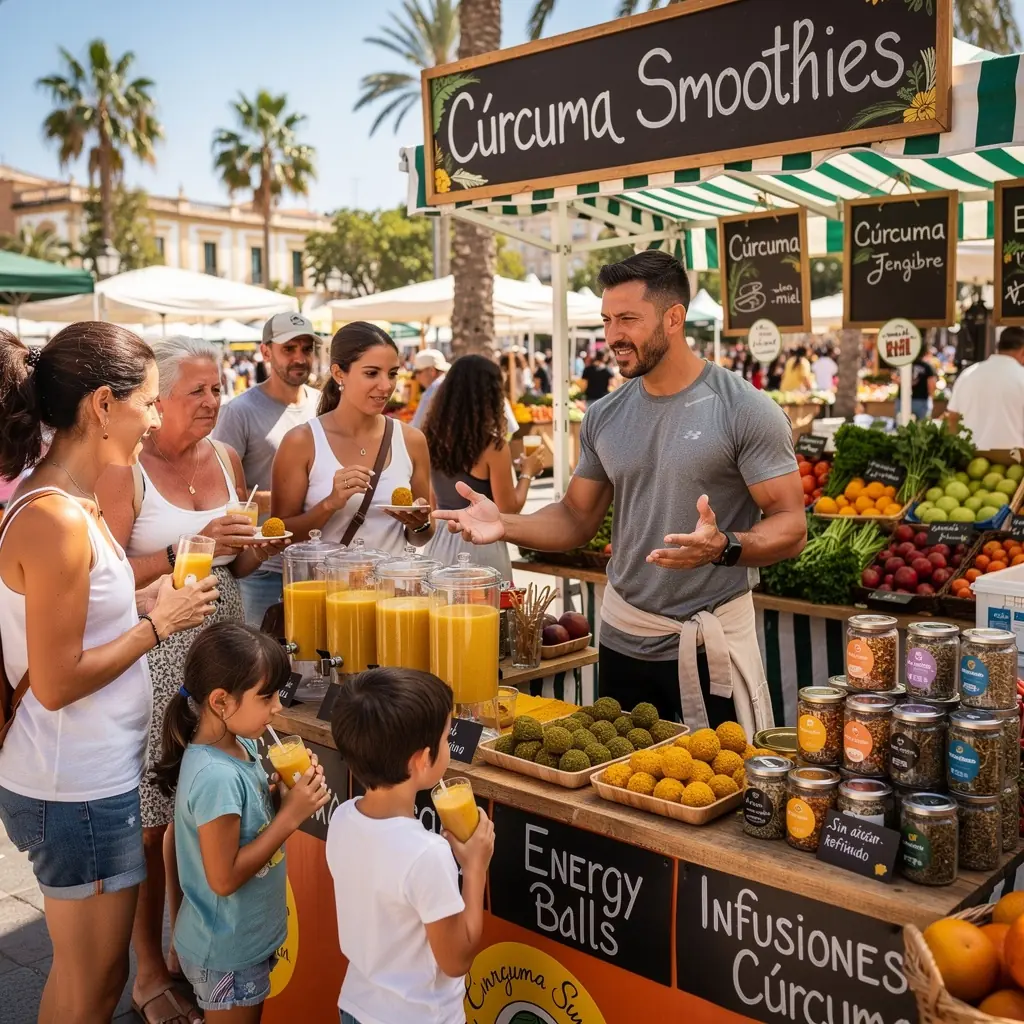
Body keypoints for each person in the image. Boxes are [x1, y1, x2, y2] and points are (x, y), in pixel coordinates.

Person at [434, 251, 806, 732]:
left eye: (628, 319)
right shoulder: (604, 415)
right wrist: (505, 524)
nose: (612, 336)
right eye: (607, 320)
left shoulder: (745, 409)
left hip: (710, 643)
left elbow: (791, 526)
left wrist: (727, 546)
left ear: (674, 318)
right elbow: (575, 516)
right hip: (624, 637)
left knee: (726, 795)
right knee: (616, 793)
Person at [0, 325, 218, 1024]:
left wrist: (145, 600)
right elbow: (58, 680)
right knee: (93, 986)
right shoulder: (57, 517)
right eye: (148, 402)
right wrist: (160, 624)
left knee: (93, 978)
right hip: (76, 787)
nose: (154, 418)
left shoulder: (74, 502)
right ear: (102, 404)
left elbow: (78, 620)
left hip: (87, 780)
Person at [97, 335, 288, 1024]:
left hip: (223, 648)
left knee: (200, 810)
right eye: (196, 392)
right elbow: (110, 574)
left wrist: (250, 548)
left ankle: (192, 943)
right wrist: (195, 543)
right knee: (153, 822)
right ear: (160, 399)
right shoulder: (126, 467)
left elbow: (233, 569)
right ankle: (149, 970)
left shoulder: (229, 459)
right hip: (158, 651)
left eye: (217, 390)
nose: (213, 402)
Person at [153, 623, 329, 1022]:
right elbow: (224, 877)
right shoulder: (216, 776)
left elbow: (238, 823)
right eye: (266, 698)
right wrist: (289, 818)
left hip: (240, 939)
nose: (277, 709)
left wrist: (277, 797)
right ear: (220, 702)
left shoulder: (241, 744)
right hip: (227, 952)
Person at [327, 668, 495, 1024]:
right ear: (421, 760)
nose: (449, 745)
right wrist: (476, 868)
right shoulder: (426, 853)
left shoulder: (342, 818)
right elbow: (456, 960)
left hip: (357, 1006)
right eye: (447, 738)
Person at [273, 322, 434, 553]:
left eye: (392, 374)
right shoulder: (302, 442)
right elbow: (280, 537)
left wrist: (419, 524)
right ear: (339, 374)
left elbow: (421, 537)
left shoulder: (412, 441)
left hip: (393, 586)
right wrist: (329, 504)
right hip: (325, 587)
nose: (386, 386)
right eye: (371, 373)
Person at [213, 313, 321, 626]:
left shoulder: (323, 404)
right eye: (289, 349)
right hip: (263, 569)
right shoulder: (239, 412)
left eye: (306, 348)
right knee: (262, 666)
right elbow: (222, 493)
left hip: (318, 561)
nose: (300, 358)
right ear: (266, 352)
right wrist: (284, 501)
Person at [423, 355, 544, 580]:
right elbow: (508, 509)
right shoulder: (492, 445)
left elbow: (432, 504)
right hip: (481, 543)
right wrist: (528, 472)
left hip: (440, 543)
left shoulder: (430, 439)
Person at [946, 327, 1024, 447]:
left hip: (969, 457)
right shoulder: (1021, 376)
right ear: (1023, 351)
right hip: (1013, 459)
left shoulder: (968, 374)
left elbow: (952, 418)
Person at [409, 348, 450, 430]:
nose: (416, 377)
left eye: (418, 372)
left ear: (432, 371)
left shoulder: (433, 391)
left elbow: (416, 427)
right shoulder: (448, 385)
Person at [911, 349, 937, 422]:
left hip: (903, 400)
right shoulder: (927, 366)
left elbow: (895, 378)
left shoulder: (905, 365)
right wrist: (931, 397)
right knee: (922, 427)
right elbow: (931, 384)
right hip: (922, 400)